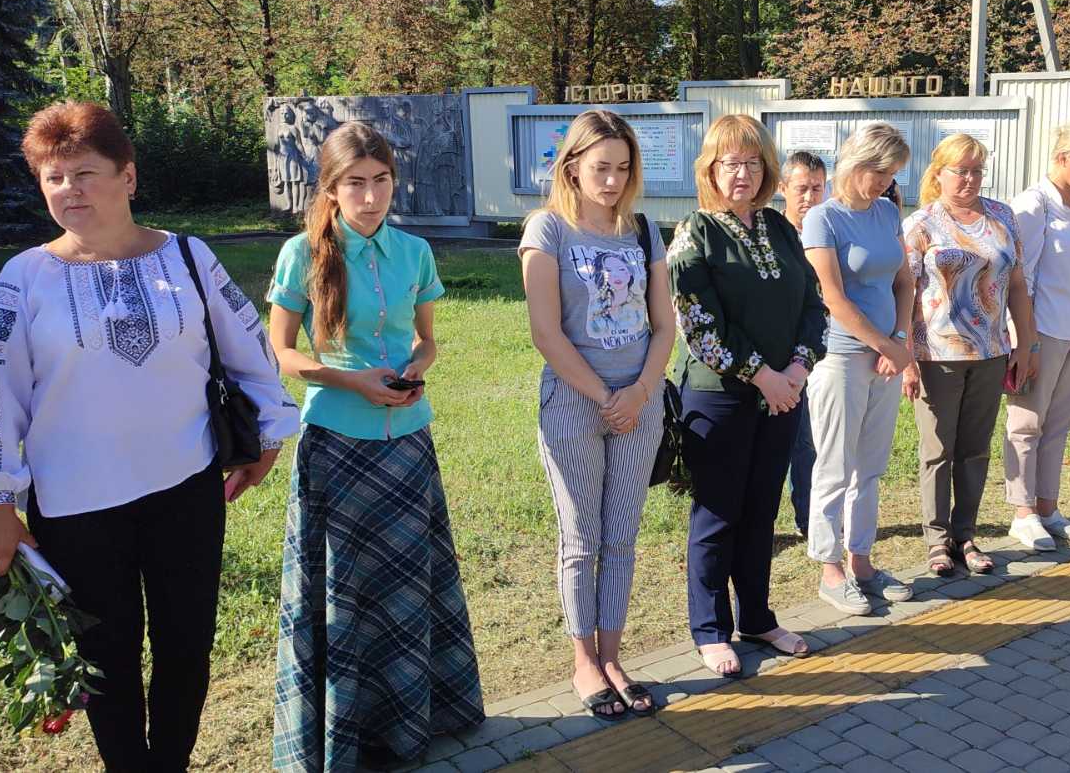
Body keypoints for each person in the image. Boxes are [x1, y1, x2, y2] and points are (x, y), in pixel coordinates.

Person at [0, 101, 299, 771]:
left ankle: (170, 764)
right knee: (106, 658)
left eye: (85, 173)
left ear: (128, 176)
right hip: (76, 506)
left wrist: (269, 434)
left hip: (186, 489)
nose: (69, 190)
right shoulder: (24, 278)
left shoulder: (188, 257)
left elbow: (249, 348)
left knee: (186, 646)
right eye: (53, 178)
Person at [269, 122, 483, 769]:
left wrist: (416, 368)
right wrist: (349, 379)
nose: (370, 197)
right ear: (331, 189)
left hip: (408, 447)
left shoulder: (414, 252)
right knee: (344, 596)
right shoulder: (301, 255)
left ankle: (414, 723)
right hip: (337, 447)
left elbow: (427, 340)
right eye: (355, 183)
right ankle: (342, 736)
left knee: (408, 589)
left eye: (381, 181)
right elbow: (281, 353)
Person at [517, 110, 676, 716]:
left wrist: (640, 392)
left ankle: (613, 656)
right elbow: (546, 332)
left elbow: (664, 326)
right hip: (574, 404)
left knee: (622, 537)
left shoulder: (643, 231)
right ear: (573, 167)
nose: (612, 181)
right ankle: (583, 660)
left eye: (623, 168)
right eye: (601, 168)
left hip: (640, 404)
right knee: (581, 538)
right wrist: (605, 397)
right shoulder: (548, 230)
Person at [670, 115, 827, 674]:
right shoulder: (695, 231)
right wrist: (763, 375)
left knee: (762, 509)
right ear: (710, 169)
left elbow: (814, 304)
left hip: (783, 395)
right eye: (731, 163)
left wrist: (798, 369)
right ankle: (711, 629)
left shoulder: (780, 228)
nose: (743, 173)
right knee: (718, 513)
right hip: (719, 396)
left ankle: (757, 617)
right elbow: (698, 321)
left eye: (753, 162)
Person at [901, 134, 1036, 576]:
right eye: (960, 171)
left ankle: (966, 536)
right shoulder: (921, 223)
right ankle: (937, 542)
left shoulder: (1002, 216)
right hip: (936, 352)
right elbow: (905, 292)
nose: (970, 179)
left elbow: (1018, 285)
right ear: (938, 173)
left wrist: (1026, 344)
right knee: (938, 449)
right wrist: (905, 356)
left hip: (991, 351)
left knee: (975, 450)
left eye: (977, 170)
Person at [803, 123, 916, 614]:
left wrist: (900, 342)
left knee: (870, 467)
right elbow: (833, 298)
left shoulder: (888, 211)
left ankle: (862, 562)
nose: (886, 183)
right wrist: (884, 345)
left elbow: (905, 282)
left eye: (892, 174)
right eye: (880, 171)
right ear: (856, 163)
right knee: (834, 465)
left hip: (886, 358)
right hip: (841, 357)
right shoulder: (822, 218)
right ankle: (830, 569)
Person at [1005, 121, 1070, 551]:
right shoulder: (1034, 204)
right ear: (1063, 157)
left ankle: (1049, 508)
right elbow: (1021, 278)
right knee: (1027, 422)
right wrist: (1025, 341)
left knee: (1060, 421)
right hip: (1043, 328)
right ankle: (1023, 512)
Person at [778, 151, 828, 538]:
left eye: (817, 188)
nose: (809, 197)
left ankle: (808, 518)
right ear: (783, 189)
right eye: (801, 189)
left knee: (807, 440)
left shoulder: (827, 232)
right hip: (774, 354)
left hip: (814, 352)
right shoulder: (772, 233)